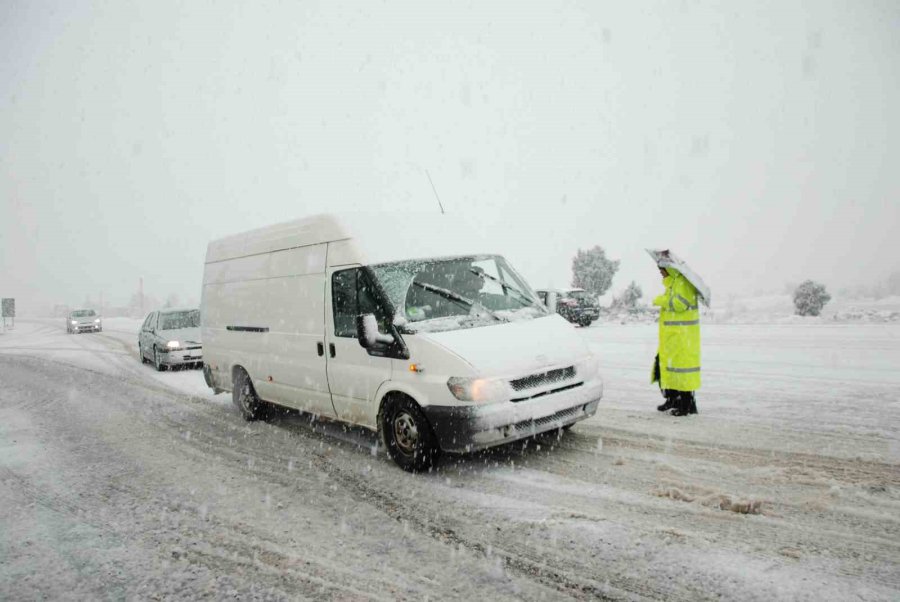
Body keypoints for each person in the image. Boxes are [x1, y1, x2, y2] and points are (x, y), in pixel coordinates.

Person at [651, 261, 701, 416]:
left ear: (670, 268)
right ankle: (672, 399)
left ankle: (686, 405)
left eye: (662, 268)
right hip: (672, 337)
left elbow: (680, 304)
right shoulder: (673, 284)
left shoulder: (683, 283)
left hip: (682, 337)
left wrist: (660, 300)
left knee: (682, 371)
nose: (660, 271)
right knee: (665, 368)